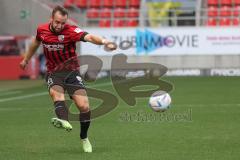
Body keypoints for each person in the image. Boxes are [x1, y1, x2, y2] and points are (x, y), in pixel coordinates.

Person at [20, 5, 116, 153]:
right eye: (57, 22)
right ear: (51, 18)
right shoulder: (42, 30)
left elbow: (89, 37)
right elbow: (35, 43)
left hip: (71, 72)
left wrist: (104, 42)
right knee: (56, 95)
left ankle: (84, 138)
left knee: (84, 106)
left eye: (63, 23)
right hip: (54, 72)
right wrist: (26, 59)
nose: (60, 26)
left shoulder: (71, 31)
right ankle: (64, 120)